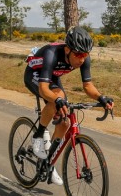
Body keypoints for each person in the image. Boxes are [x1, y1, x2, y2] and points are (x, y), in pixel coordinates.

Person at [23, 26, 113, 185]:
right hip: (35, 73)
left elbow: (88, 86)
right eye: (78, 54)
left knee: (65, 122)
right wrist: (56, 100)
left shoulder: (84, 57)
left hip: (54, 76)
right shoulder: (52, 53)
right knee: (56, 99)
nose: (82, 59)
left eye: (85, 54)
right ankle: (38, 135)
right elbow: (44, 89)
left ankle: (48, 163)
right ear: (67, 50)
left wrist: (101, 97)